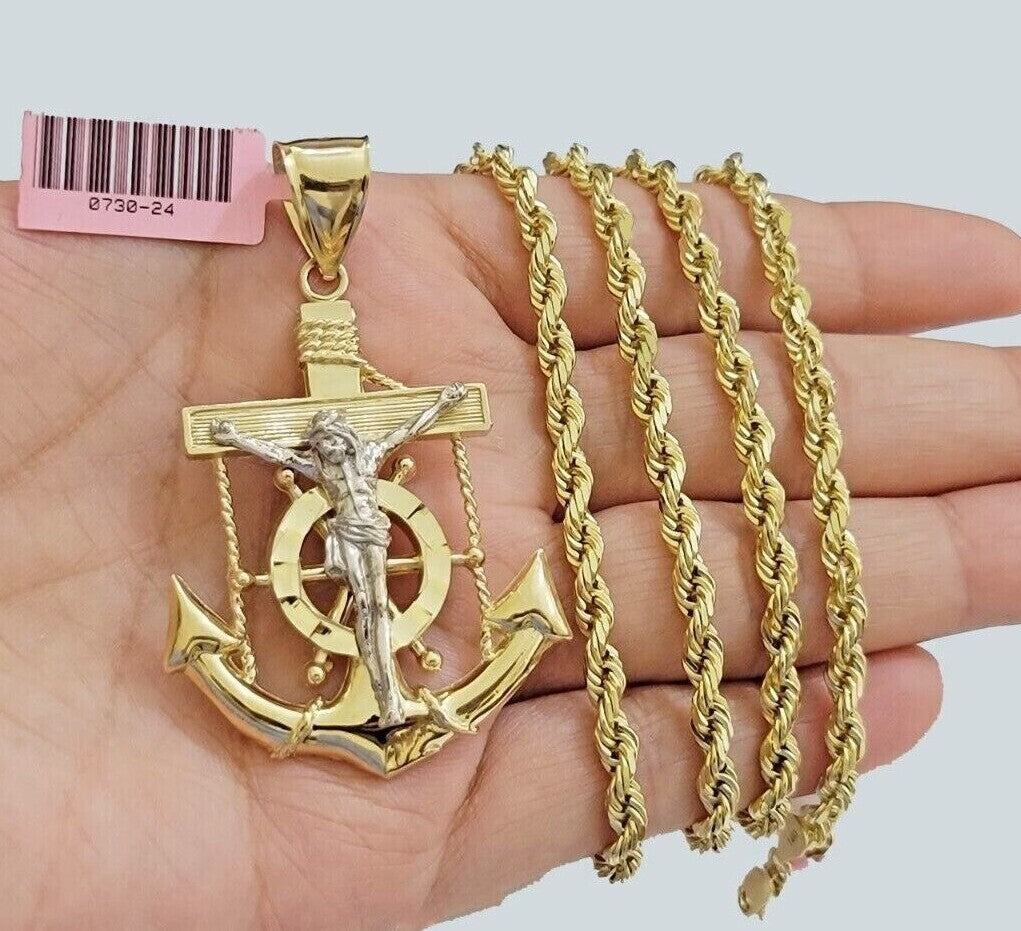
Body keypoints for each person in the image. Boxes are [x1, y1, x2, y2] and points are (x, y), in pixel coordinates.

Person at [211, 382, 468, 727]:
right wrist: (235, 438)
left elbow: (408, 429)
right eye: (320, 444)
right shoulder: (320, 470)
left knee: (378, 605)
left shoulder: (371, 455)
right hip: (346, 535)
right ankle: (384, 691)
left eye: (331, 440)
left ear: (345, 437)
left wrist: (442, 403)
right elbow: (277, 454)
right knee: (364, 604)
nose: (327, 448)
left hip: (373, 534)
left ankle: (389, 690)